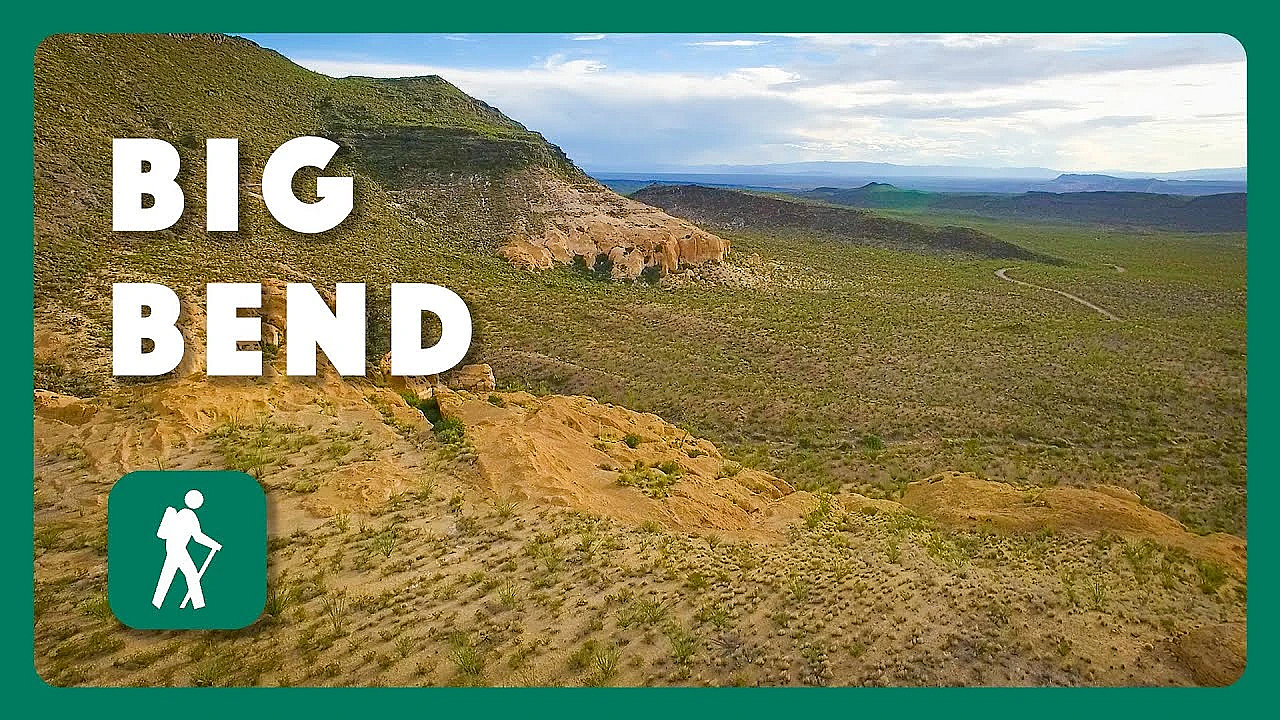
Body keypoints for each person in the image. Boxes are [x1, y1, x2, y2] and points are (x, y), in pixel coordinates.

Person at [152, 489, 221, 609]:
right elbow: (198, 537)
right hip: (177, 549)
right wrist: (214, 545)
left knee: (168, 576)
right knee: (191, 575)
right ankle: (198, 605)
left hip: (171, 548)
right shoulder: (189, 516)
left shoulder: (177, 513)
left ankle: (157, 603)